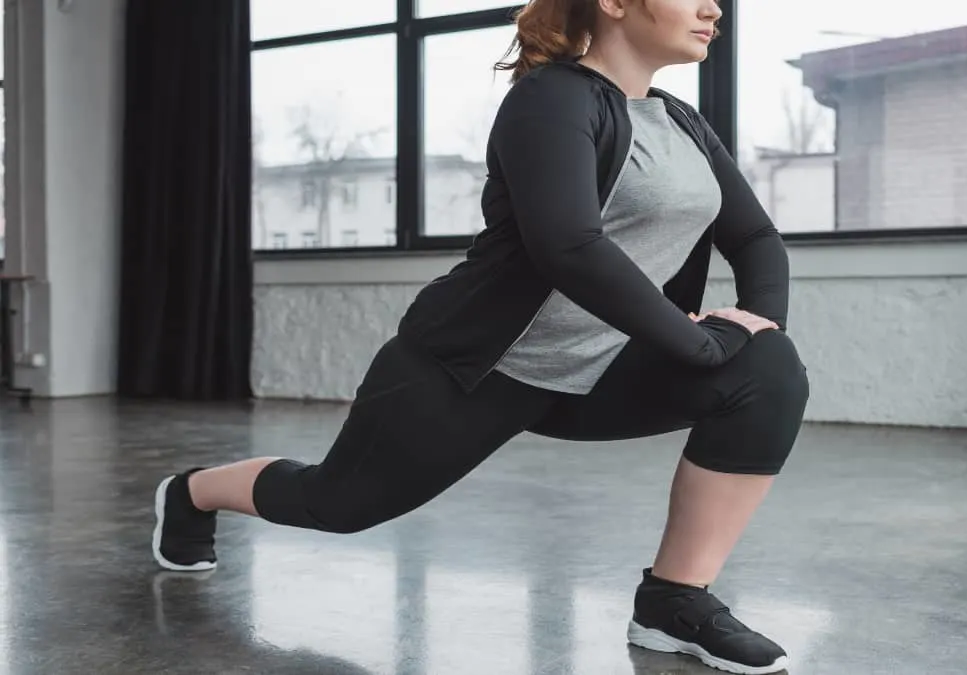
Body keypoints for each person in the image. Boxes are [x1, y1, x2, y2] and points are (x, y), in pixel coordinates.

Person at [151, 0, 808, 672]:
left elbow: (754, 235)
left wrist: (757, 319)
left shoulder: (681, 122)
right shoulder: (550, 100)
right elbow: (569, 246)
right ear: (614, 3)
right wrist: (698, 342)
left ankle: (674, 600)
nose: (711, 7)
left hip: (598, 373)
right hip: (475, 368)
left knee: (767, 369)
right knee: (338, 504)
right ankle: (193, 490)